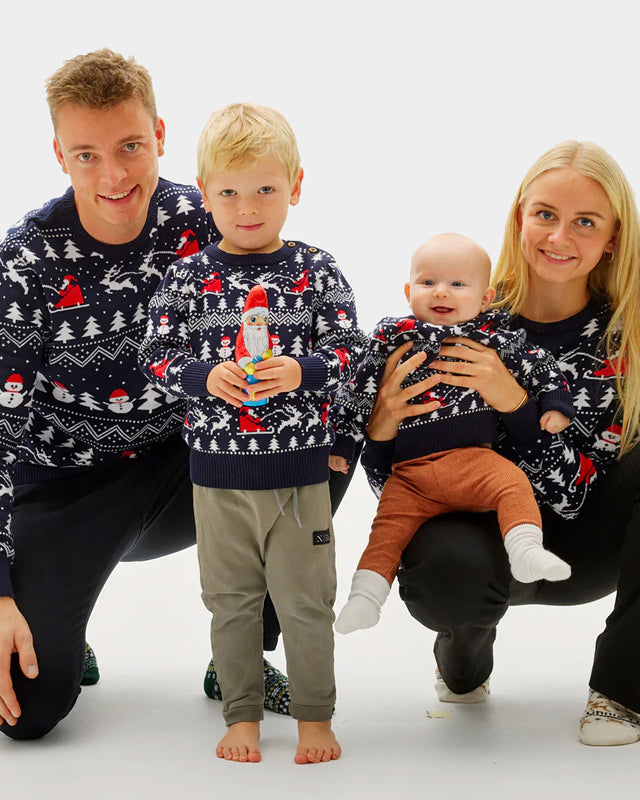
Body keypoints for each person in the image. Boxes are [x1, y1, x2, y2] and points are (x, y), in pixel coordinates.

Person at [0, 50, 353, 742]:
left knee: (327, 419)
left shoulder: (208, 217)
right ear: (58, 155)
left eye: (131, 146)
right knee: (30, 711)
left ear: (160, 136)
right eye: (87, 154)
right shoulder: (25, 264)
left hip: (183, 465)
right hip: (63, 486)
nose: (114, 176)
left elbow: (306, 321)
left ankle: (243, 652)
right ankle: (59, 610)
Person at [363, 141, 640, 745]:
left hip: (585, 546)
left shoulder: (620, 340)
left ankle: (621, 691)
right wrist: (381, 429)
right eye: (545, 214)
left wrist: (514, 402)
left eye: (585, 222)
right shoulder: (458, 311)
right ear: (520, 217)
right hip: (477, 537)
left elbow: (567, 497)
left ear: (612, 238)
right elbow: (401, 484)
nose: (559, 237)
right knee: (447, 571)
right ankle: (463, 656)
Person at [139, 102, 365, 764]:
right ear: (205, 193)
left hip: (298, 478)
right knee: (230, 603)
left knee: (305, 603)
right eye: (230, 192)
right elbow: (156, 355)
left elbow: (352, 350)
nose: (248, 207)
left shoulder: (316, 269)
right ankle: (240, 715)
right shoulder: (188, 276)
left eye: (266, 189)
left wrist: (304, 369)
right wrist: (203, 375)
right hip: (217, 480)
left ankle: (314, 719)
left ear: (295, 186)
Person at [333, 233, 574, 635]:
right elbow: (356, 393)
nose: (441, 292)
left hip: (473, 461)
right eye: (428, 282)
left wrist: (555, 402)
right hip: (409, 474)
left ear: (484, 298)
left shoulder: (493, 336)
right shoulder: (390, 337)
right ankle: (365, 597)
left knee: (512, 484)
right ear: (409, 290)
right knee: (386, 532)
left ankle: (526, 549)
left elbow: (539, 365)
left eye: (458, 284)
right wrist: (345, 442)